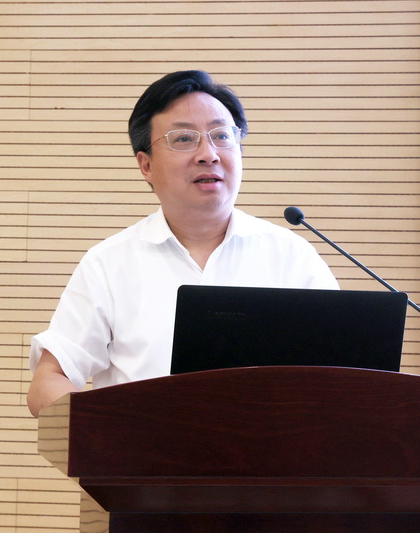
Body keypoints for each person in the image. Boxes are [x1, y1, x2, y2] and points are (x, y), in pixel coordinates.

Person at [27, 70, 338, 417]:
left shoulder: (292, 256)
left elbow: (343, 377)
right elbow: (48, 381)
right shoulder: (109, 263)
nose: (209, 154)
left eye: (222, 136)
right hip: (145, 449)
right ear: (146, 165)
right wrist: (115, 430)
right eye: (184, 139)